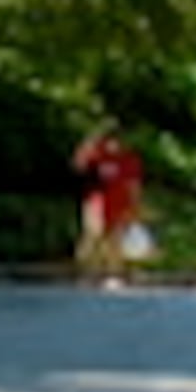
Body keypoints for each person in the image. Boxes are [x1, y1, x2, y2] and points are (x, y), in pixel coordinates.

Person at [72, 122, 150, 284]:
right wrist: (91, 140)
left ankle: (114, 275)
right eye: (111, 141)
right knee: (93, 235)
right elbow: (78, 165)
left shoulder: (129, 159)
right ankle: (85, 273)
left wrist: (136, 207)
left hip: (120, 203)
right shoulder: (96, 155)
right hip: (96, 202)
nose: (115, 145)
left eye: (118, 141)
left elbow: (134, 186)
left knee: (115, 240)